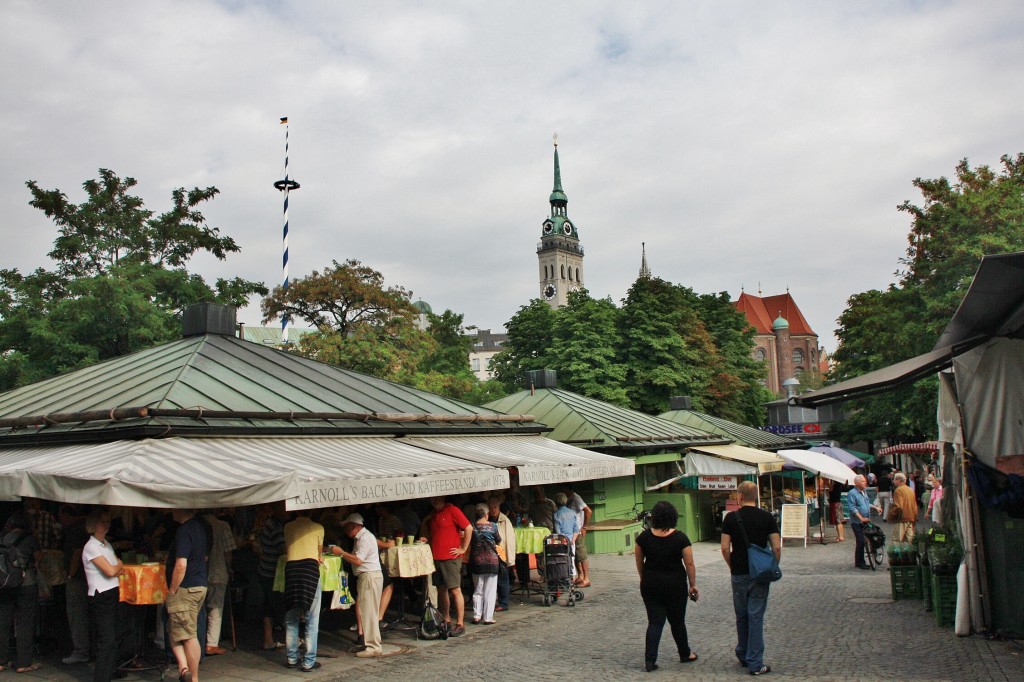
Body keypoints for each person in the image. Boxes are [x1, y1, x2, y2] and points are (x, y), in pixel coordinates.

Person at [721, 481, 781, 676]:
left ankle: (743, 653)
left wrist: (732, 566)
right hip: (759, 573)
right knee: (755, 616)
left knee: (741, 615)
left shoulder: (730, 518)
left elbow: (724, 548)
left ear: (739, 496)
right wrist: (771, 566)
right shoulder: (767, 518)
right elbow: (776, 547)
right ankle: (755, 663)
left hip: (738, 572)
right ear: (756, 496)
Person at [635, 501, 699, 672]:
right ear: (673, 517)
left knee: (655, 622)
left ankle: (650, 660)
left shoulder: (643, 538)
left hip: (651, 583)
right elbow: (689, 563)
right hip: (675, 584)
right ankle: (685, 653)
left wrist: (644, 578)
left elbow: (639, 562)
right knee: (677, 621)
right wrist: (693, 585)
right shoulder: (681, 538)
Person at [330, 514, 385, 658]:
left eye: (347, 526)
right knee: (367, 611)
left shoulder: (365, 538)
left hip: (369, 576)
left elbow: (358, 560)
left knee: (369, 612)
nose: (345, 530)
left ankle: (373, 646)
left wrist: (341, 553)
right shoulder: (361, 538)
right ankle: (370, 643)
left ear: (354, 526)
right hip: (368, 576)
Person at [165, 508, 210, 682]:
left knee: (186, 634)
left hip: (186, 587)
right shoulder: (200, 527)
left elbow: (181, 565)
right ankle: (185, 670)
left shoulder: (184, 530)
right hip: (200, 584)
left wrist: (172, 590)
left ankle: (193, 677)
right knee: (181, 629)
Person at [419, 496, 473, 637]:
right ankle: (447, 620)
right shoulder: (434, 514)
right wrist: (428, 539)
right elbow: (438, 533)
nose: (434, 501)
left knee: (455, 590)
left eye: (436, 498)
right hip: (437, 556)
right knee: (441, 590)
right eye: (432, 499)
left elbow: (468, 528)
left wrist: (463, 548)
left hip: (450, 557)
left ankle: (460, 623)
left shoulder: (452, 510)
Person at [82, 510, 126, 682]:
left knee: (114, 635)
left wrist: (117, 568)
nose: (107, 524)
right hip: (101, 593)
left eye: (108, 521)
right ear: (93, 525)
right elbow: (111, 570)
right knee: (106, 638)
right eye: (102, 522)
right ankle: (102, 677)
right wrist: (117, 566)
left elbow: (117, 569)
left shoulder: (106, 544)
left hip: (112, 590)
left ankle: (110, 670)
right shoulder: (91, 546)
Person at [0, 511, 42, 673]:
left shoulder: (2, 538)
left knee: (3, 622)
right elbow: (39, 556)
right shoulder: (30, 538)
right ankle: (23, 662)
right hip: (26, 584)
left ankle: (1, 660)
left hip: (4, 584)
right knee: (25, 623)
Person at [282, 509, 324, 672]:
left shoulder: (288, 527)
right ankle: (309, 661)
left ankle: (292, 658)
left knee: (291, 618)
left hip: (292, 570)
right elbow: (319, 554)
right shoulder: (318, 527)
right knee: (312, 619)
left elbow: (288, 548)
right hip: (310, 570)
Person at [60, 504, 91, 666]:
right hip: (86, 579)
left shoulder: (75, 530)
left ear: (66, 515)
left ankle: (81, 651)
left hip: (78, 579)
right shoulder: (84, 528)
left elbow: (77, 553)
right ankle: (84, 649)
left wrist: (70, 575)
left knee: (76, 614)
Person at [254, 502, 287, 650]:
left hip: (267, 570)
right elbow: (283, 548)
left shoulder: (272, 523)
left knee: (268, 605)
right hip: (272, 572)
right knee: (277, 604)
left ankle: (269, 638)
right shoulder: (274, 525)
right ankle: (285, 637)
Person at [203, 510, 237, 656]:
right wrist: (229, 569)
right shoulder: (223, 526)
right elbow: (228, 552)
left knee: (199, 609)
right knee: (216, 608)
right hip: (218, 570)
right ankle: (211, 644)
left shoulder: (196, 525)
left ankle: (199, 640)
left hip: (200, 573)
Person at [468, 504, 501, 625]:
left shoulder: (472, 527)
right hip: (492, 561)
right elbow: (498, 540)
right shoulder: (493, 526)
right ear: (486, 515)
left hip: (477, 562)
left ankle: (477, 615)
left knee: (478, 589)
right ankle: (487, 617)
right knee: (490, 590)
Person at [487, 496, 516, 612]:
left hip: (501, 554)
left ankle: (503, 603)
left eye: (495, 507)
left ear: (499, 507)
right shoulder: (487, 519)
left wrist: (509, 558)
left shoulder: (504, 520)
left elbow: (509, 540)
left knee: (502, 579)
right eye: (491, 507)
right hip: (489, 554)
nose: (493, 510)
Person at [560, 484, 592, 587]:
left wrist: (584, 527)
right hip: (572, 531)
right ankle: (581, 576)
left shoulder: (576, 498)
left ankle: (586, 579)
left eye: (563, 489)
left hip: (577, 531)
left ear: (568, 489)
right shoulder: (569, 499)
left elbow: (588, 511)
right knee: (576, 555)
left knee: (581, 555)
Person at [848, 474, 880, 570]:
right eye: (863, 481)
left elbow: (866, 503)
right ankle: (860, 562)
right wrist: (861, 518)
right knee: (861, 541)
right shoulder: (852, 493)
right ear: (857, 483)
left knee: (872, 536)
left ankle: (873, 553)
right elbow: (852, 508)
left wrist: (875, 507)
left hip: (867, 520)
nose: (865, 482)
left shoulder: (864, 491)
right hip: (857, 522)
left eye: (865, 481)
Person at [552, 493, 580, 578]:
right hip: (571, 540)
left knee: (562, 561)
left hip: (562, 542)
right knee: (572, 559)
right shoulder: (572, 512)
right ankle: (573, 580)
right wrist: (573, 540)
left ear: (556, 502)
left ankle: (564, 578)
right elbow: (576, 529)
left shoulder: (556, 514)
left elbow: (558, 532)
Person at [889, 472, 919, 543]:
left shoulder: (898, 490)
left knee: (896, 541)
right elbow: (914, 506)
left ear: (898, 480)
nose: (893, 481)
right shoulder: (910, 490)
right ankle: (912, 553)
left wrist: (891, 514)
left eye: (894, 480)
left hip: (902, 518)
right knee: (910, 541)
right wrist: (914, 519)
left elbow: (898, 506)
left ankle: (897, 554)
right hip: (910, 518)